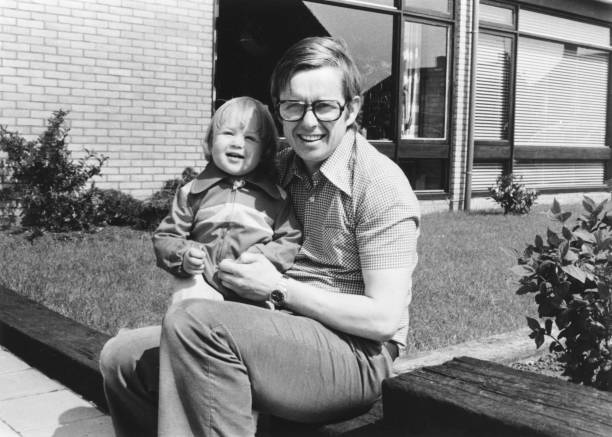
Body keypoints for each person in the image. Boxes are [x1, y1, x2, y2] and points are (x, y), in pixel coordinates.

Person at [99, 36, 420, 437]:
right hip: (273, 325)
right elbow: (209, 209)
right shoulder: (278, 168)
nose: (307, 122)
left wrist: (279, 288)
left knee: (196, 323)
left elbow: (383, 319)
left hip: (353, 354)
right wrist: (190, 267)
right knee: (122, 357)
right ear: (278, 110)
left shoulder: (381, 185)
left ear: (351, 109)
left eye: (323, 106)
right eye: (293, 106)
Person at [152, 96, 301, 304]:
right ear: (211, 141)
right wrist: (184, 256)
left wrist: (262, 256)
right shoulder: (193, 192)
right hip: (203, 282)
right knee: (191, 313)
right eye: (228, 133)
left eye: (250, 138)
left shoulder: (276, 197)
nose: (237, 143)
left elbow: (290, 241)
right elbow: (166, 236)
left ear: (265, 151)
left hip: (252, 291)